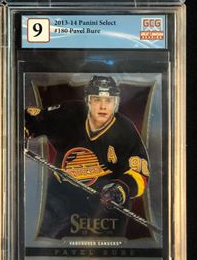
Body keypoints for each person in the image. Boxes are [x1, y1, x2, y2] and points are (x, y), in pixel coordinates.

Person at [25, 75, 149, 238]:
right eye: (97, 99)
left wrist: (121, 190)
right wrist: (23, 131)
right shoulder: (69, 113)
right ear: (88, 101)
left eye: (108, 100)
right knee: (36, 234)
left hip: (105, 198)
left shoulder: (125, 130)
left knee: (108, 247)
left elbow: (140, 171)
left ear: (116, 103)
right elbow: (33, 117)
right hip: (62, 190)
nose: (103, 106)